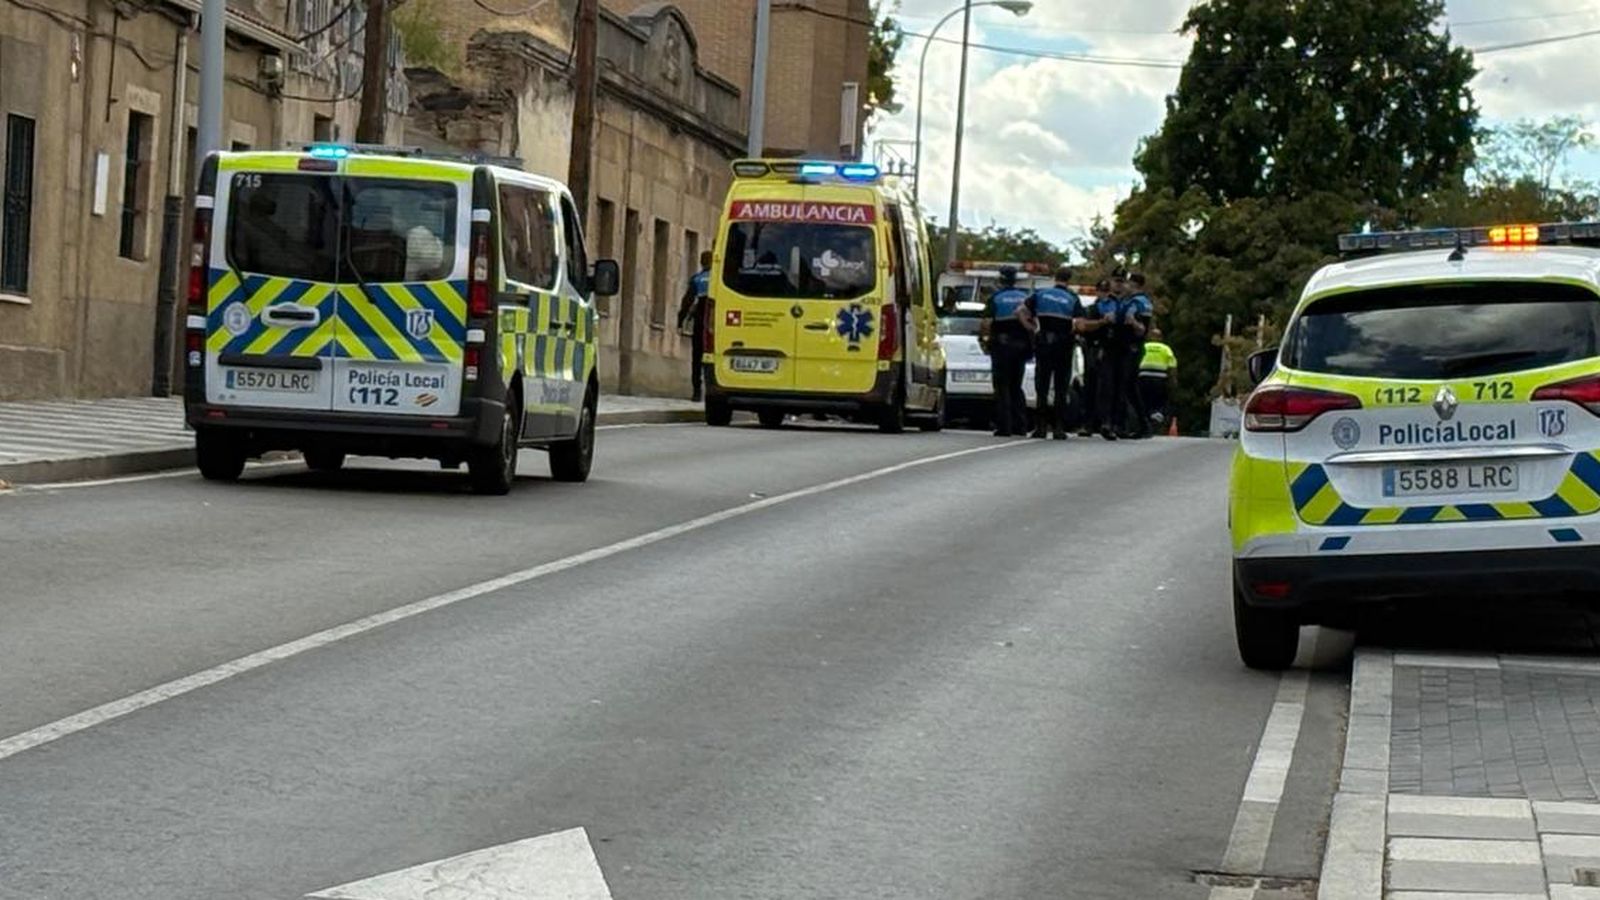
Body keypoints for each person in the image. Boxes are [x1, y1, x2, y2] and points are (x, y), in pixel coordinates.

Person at [1026, 265, 1080, 440]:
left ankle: (1040, 427)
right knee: (1060, 387)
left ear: (1055, 278)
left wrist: (1032, 328)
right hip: (1064, 345)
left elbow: (1020, 311)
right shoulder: (1072, 298)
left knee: (1041, 386)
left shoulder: (1041, 294)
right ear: (1068, 279)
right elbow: (1079, 322)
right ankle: (1058, 428)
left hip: (1044, 344)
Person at [981, 266, 1037, 437]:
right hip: (1021, 348)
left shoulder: (996, 298)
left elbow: (986, 323)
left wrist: (984, 341)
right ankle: (1020, 425)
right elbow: (1033, 323)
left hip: (1002, 347)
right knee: (1016, 386)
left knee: (1001, 386)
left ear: (1001, 280)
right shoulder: (1024, 298)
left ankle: (1005, 426)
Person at [1079, 272, 1127, 440]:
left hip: (1111, 351)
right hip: (1092, 349)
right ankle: (1088, 424)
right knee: (1090, 387)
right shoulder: (1092, 308)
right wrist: (1102, 322)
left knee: (1107, 388)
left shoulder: (1119, 307)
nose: (1104, 294)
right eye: (1101, 291)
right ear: (1097, 292)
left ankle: (1108, 423)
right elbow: (1084, 327)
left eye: (1107, 291)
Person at [1120, 273, 1155, 437]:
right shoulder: (1145, 302)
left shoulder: (1136, 303)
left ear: (1133, 284)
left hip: (1132, 347)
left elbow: (1141, 328)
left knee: (1128, 387)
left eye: (1127, 283)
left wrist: (1132, 322)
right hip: (1136, 347)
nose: (1124, 286)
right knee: (1131, 387)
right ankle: (1142, 424)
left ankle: (1140, 424)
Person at [676, 250, 714, 402]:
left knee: (696, 357)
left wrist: (681, 320)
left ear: (701, 262)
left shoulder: (697, 279)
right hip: (714, 321)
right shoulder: (719, 278)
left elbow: (687, 301)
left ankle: (697, 391)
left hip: (700, 320)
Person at [1139, 327, 1177, 434]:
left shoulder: (1144, 347)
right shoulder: (1166, 349)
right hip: (1159, 378)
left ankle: (1144, 421)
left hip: (1143, 377)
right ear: (1160, 338)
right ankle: (1156, 416)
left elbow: (1135, 361)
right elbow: (1172, 366)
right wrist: (1173, 381)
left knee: (1144, 400)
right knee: (1158, 400)